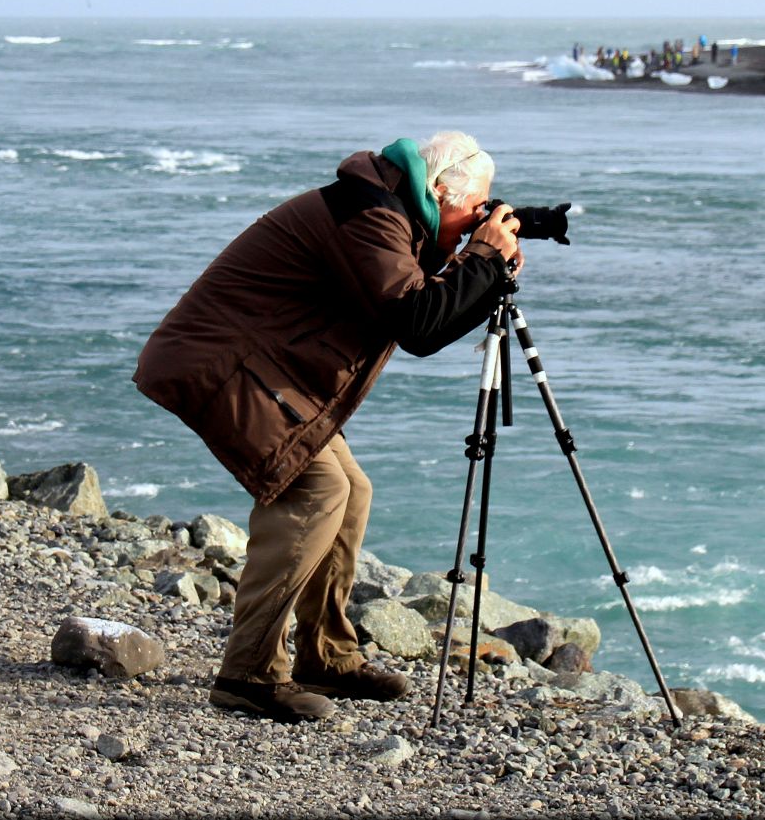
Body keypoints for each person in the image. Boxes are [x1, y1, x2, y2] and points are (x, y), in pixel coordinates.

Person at [133, 132, 523, 723]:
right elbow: (417, 323)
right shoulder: (371, 215)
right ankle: (248, 674)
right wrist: (483, 258)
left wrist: (486, 264)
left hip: (263, 365)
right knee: (315, 490)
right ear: (441, 192)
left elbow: (425, 311)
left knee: (352, 490)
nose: (476, 222)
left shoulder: (389, 213)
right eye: (475, 209)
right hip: (223, 364)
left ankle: (327, 657)